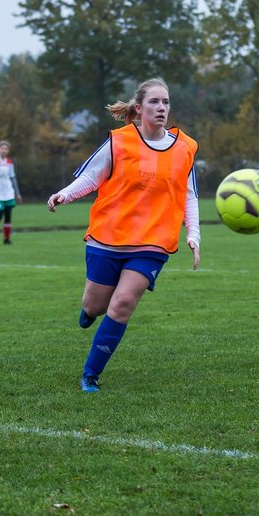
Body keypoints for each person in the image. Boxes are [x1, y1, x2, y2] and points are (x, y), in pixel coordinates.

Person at [47, 78, 200, 393]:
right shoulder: (120, 142)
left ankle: (90, 374)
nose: (161, 108)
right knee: (96, 304)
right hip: (109, 237)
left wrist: (193, 235)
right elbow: (91, 177)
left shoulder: (185, 147)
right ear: (139, 108)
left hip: (153, 242)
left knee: (123, 303)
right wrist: (65, 194)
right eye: (155, 102)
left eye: (166, 102)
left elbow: (189, 196)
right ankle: (90, 310)